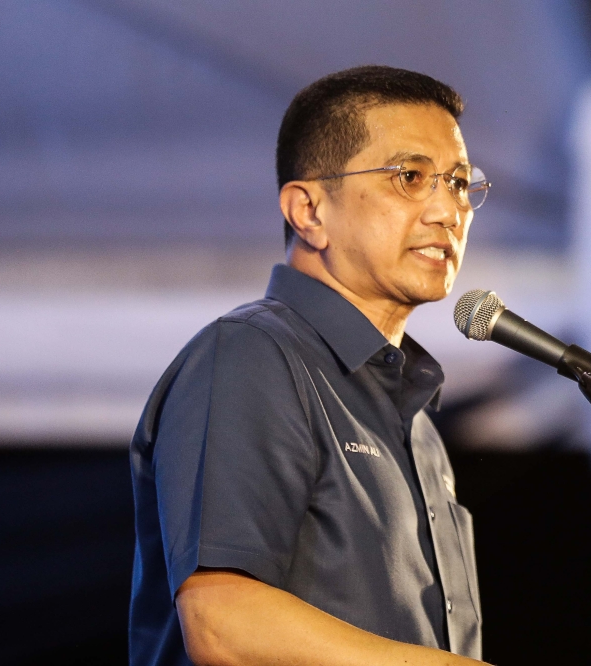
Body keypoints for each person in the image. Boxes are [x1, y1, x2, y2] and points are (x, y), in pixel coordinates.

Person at [129, 65, 491, 666]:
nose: (447, 211)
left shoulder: (412, 417)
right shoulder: (250, 355)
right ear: (308, 211)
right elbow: (223, 623)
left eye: (458, 183)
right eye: (410, 178)